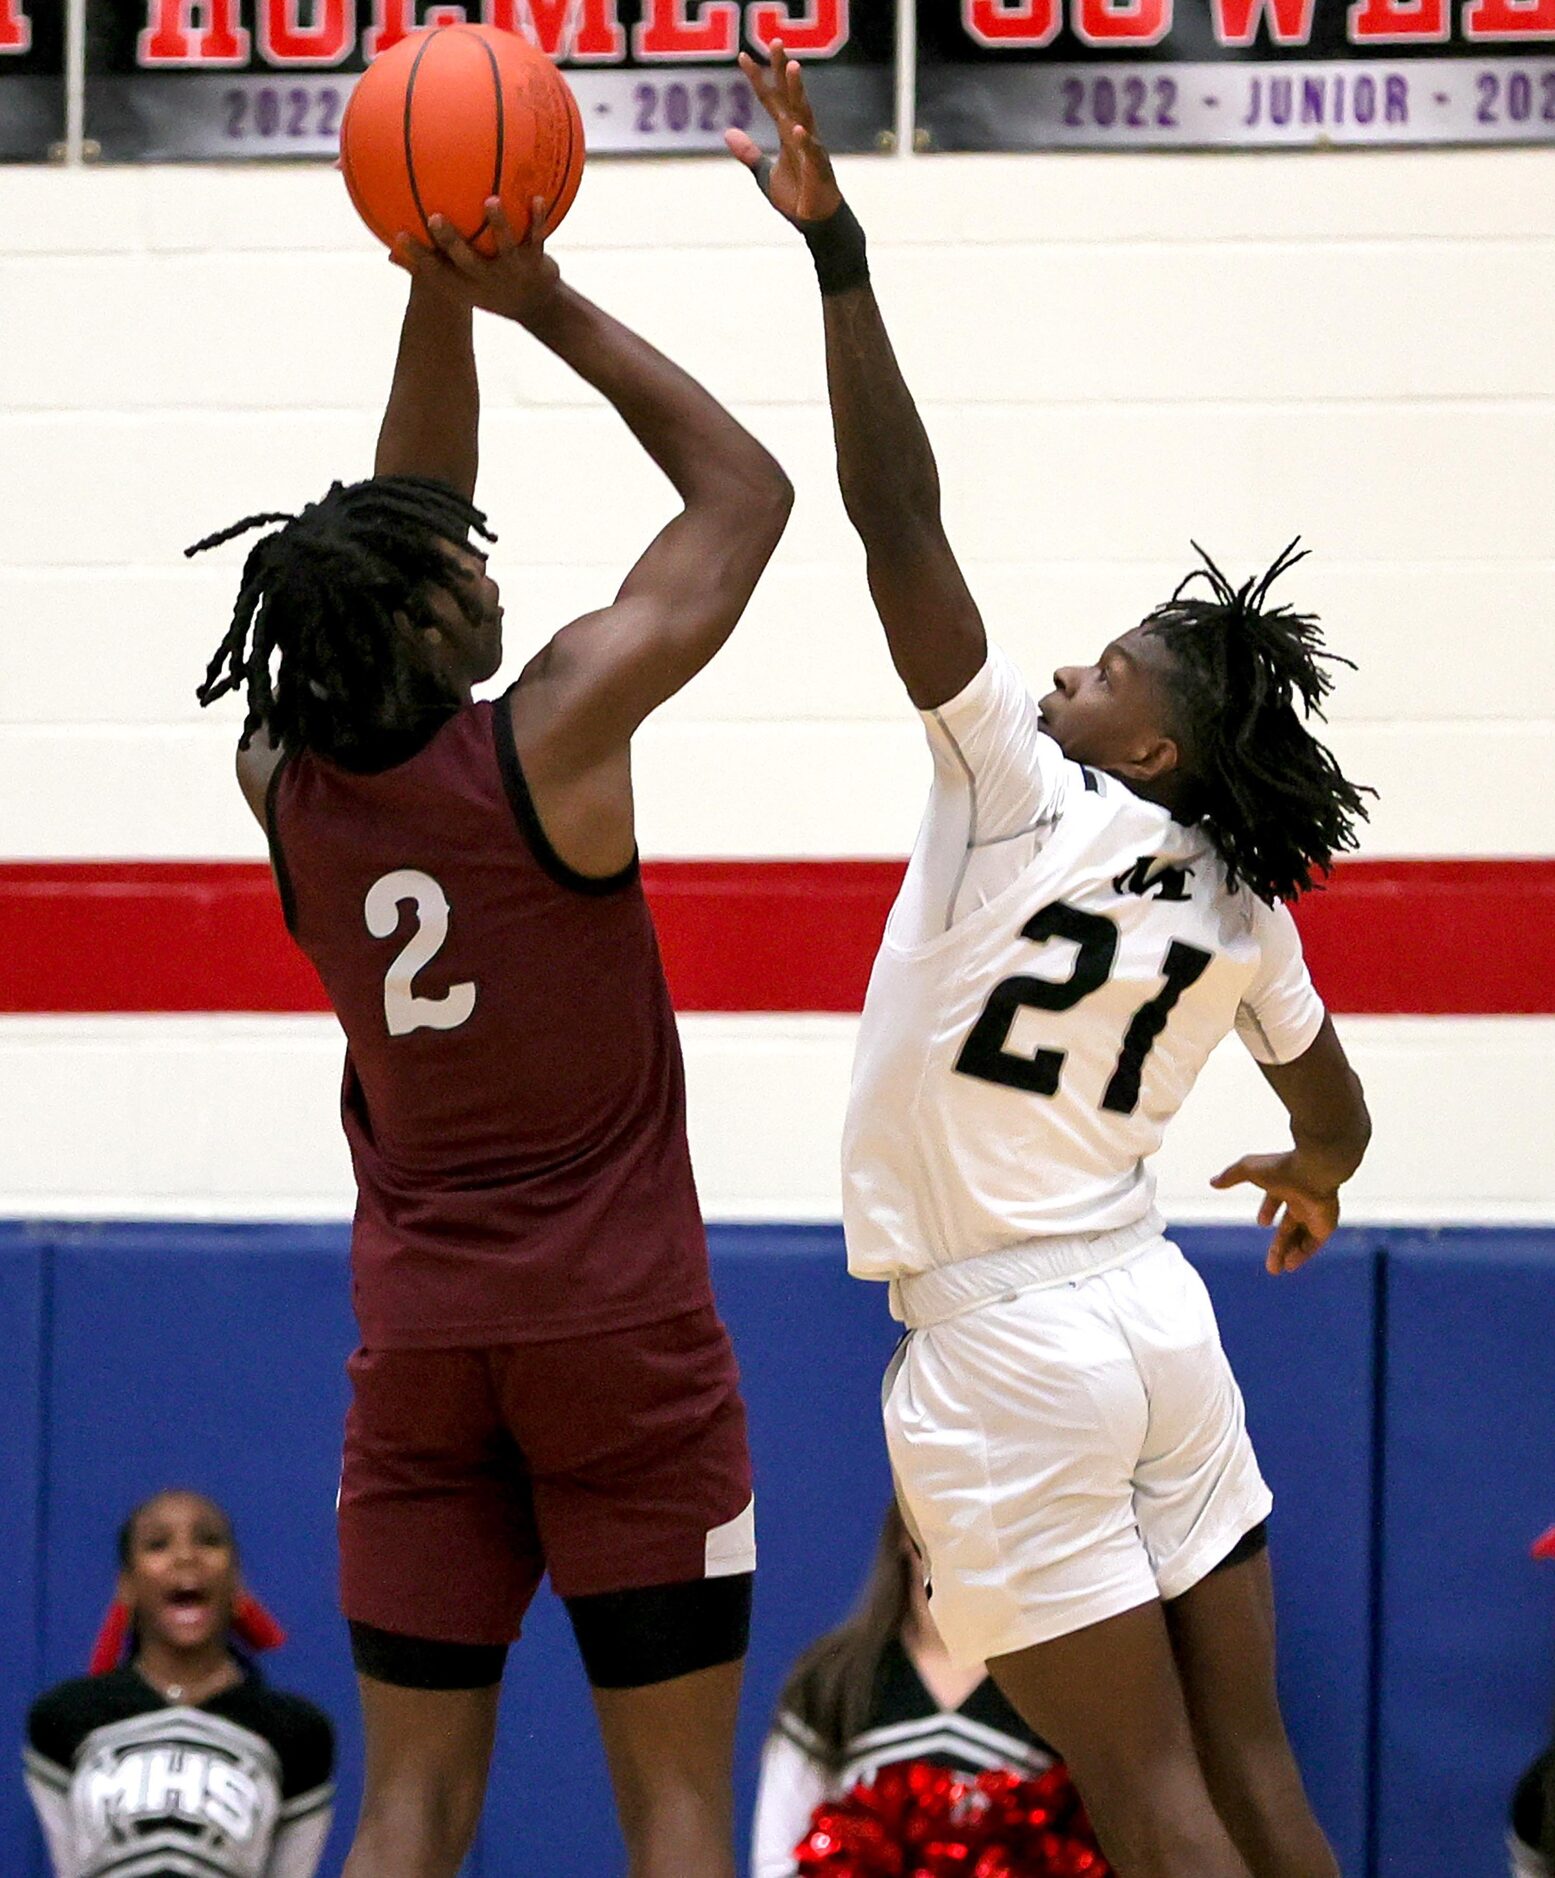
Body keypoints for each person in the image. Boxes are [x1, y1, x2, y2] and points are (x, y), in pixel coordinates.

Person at [729, 47, 1373, 1878]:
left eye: (1102, 670)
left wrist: (835, 247)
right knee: (1259, 1782)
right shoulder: (1247, 895)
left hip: (1010, 1344)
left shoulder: (1016, 778)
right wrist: (1312, 1170)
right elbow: (1338, 1102)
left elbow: (894, 520)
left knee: (1154, 1804)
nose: (1065, 673)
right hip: (1159, 1317)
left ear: (1142, 748)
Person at [191, 199, 792, 1878]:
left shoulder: (281, 788)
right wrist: (537, 300)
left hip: (427, 1347)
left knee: (406, 1811)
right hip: (624, 1342)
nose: (480, 555)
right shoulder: (563, 725)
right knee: (673, 1807)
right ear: (430, 626)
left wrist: (427, 306)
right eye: (459, 567)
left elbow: (401, 525)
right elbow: (746, 497)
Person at [24, 1490, 334, 1878]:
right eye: (157, 1544)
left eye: (208, 1540)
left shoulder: (296, 1732)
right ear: (127, 1585)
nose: (186, 1556)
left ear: (237, 1580)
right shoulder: (66, 1717)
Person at [751, 1502, 1060, 1878]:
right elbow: (778, 1863)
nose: (961, 1539)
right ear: (904, 1526)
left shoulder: (1055, 1692)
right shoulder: (832, 1682)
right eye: (943, 1514)